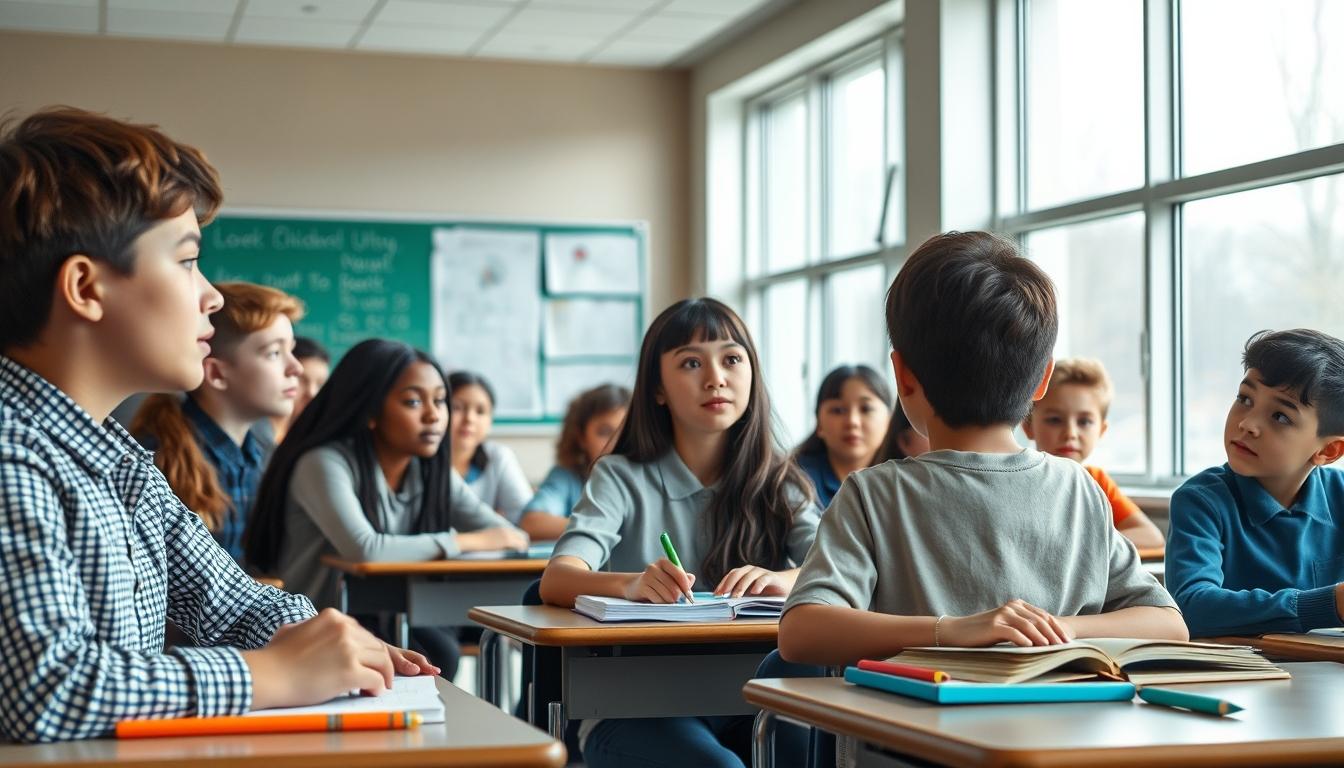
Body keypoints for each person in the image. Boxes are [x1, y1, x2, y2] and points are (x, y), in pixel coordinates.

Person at [0, 107, 432, 743]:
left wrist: (331, 639)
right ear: (86, 289)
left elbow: (232, 601)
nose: (213, 297)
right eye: (185, 262)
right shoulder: (14, 454)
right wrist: (270, 673)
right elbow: (49, 689)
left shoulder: (117, 459)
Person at [778, 231, 1186, 667]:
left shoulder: (872, 493)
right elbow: (1169, 624)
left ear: (903, 377)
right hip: (1061, 732)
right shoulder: (1078, 489)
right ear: (1042, 381)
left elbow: (800, 633)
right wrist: (965, 629)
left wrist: (1028, 627)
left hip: (909, 735)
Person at [539, 297, 821, 768]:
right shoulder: (620, 476)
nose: (716, 377)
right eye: (691, 362)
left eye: (732, 359)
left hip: (751, 700)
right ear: (657, 391)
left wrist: (784, 579)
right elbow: (557, 578)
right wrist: (628, 584)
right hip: (634, 708)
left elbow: (836, 566)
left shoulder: (779, 479)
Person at [245, 338, 529, 679]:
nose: (434, 415)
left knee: (440, 650)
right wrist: (466, 541)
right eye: (413, 401)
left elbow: (508, 535)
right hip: (310, 625)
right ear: (370, 411)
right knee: (435, 651)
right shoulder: (323, 463)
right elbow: (366, 548)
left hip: (392, 615)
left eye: (440, 401)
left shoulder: (430, 472)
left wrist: (494, 536)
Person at [1167, 329, 1344, 638]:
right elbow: (1192, 606)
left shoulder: (1339, 495)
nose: (1247, 423)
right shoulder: (1201, 501)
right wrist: (1328, 604)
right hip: (1236, 676)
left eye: (1280, 417)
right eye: (1245, 398)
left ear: (1327, 450)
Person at [132, 281, 303, 562]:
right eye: (274, 353)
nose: (295, 368)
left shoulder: (255, 455)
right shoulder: (160, 459)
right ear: (216, 374)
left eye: (292, 350)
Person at [1022, 357, 1165, 549]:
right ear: (1028, 426)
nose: (1070, 433)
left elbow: (1150, 536)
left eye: (1084, 422)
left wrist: (1081, 544)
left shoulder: (1096, 480)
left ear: (1101, 430)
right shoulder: (1021, 479)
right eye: (1055, 420)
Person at [520, 383, 630, 540]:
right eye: (604, 432)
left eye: (625, 432)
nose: (616, 442)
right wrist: (606, 526)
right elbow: (532, 522)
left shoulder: (651, 476)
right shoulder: (567, 478)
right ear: (581, 438)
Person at [793, 365, 893, 508]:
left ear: (889, 421)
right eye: (838, 410)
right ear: (819, 423)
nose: (852, 421)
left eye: (866, 409)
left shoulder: (905, 480)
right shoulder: (796, 481)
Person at [448, 370, 532, 522]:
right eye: (457, 408)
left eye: (480, 411)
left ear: (490, 421)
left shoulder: (498, 456)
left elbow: (526, 518)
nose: (469, 419)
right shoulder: (419, 462)